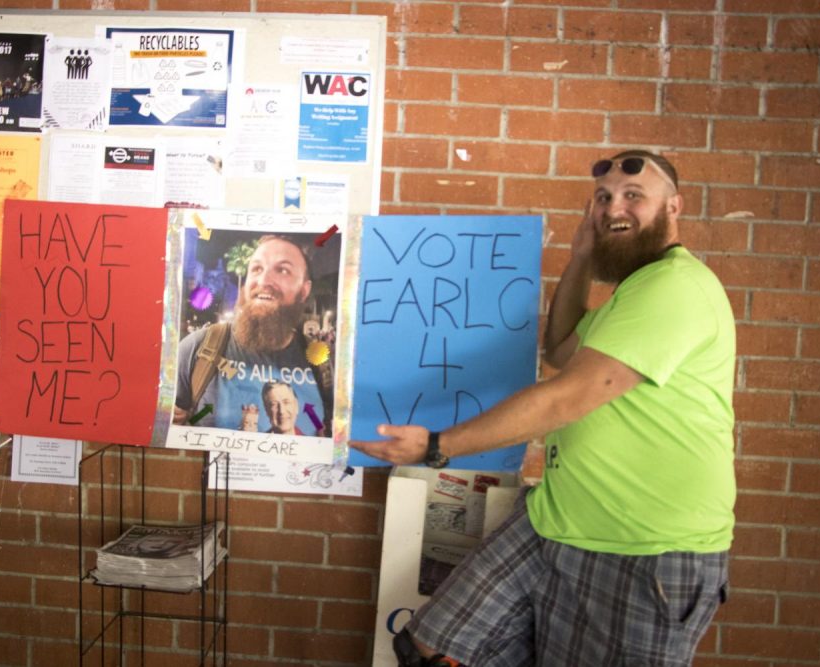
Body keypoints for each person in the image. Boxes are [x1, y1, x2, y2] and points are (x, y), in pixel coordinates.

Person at [351, 150, 736, 667]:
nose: (612, 208)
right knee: (430, 647)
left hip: (644, 549)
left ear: (674, 208)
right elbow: (558, 352)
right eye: (602, 198)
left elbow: (567, 395)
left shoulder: (676, 287)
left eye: (632, 196)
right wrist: (580, 257)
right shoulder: (631, 295)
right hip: (558, 517)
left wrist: (438, 446)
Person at [174, 234, 332, 435]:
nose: (264, 280)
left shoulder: (323, 363)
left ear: (304, 290)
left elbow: (331, 432)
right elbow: (172, 427)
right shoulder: (197, 348)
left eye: (283, 270)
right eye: (256, 269)